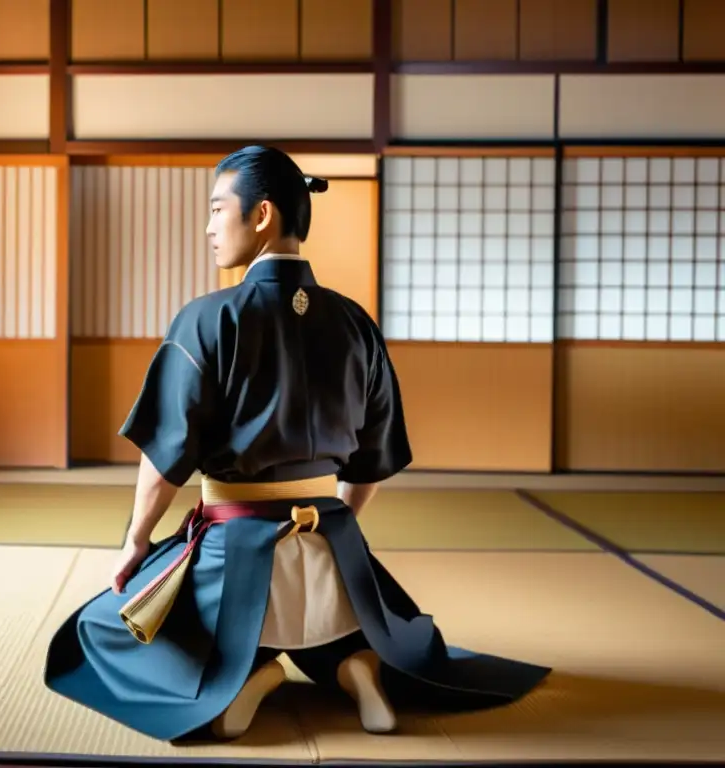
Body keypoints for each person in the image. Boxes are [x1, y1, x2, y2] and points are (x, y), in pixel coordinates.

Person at [43, 145, 551, 743]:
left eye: (216, 210)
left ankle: (251, 677)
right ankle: (351, 665)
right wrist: (335, 527)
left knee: (99, 628)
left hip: (237, 547)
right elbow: (373, 457)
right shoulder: (355, 322)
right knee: (361, 625)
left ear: (261, 216)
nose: (208, 227)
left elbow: (164, 461)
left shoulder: (208, 320)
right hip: (334, 553)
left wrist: (134, 543)